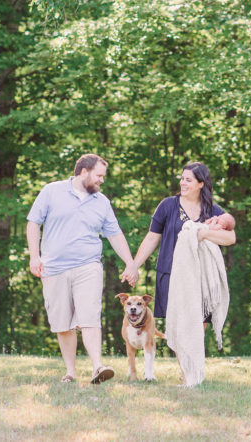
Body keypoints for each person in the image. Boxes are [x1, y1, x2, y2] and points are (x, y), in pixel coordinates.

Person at [27, 153, 139, 384]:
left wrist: (130, 262)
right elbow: (33, 223)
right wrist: (34, 257)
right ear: (84, 172)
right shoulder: (52, 191)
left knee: (90, 315)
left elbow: (115, 234)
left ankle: (97, 366)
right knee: (62, 322)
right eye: (99, 175)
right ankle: (70, 372)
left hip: (88, 266)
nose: (102, 180)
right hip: (54, 267)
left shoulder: (102, 202)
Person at [126, 162, 236, 320]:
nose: (182, 183)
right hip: (171, 274)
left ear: (201, 184)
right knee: (175, 328)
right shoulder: (168, 205)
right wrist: (134, 266)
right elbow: (151, 238)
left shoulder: (213, 210)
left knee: (198, 327)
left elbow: (231, 237)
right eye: (182, 178)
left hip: (200, 277)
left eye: (188, 180)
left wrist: (203, 233)